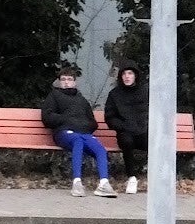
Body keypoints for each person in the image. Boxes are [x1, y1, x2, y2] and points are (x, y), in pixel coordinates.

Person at [40, 66, 117, 197]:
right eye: (63, 79)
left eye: (69, 79)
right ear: (59, 82)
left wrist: (83, 125)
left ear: (75, 82)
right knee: (78, 141)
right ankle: (77, 183)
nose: (66, 82)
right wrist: (67, 121)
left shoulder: (82, 100)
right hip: (64, 133)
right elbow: (47, 117)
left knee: (100, 149)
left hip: (84, 133)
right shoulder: (54, 96)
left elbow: (92, 122)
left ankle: (104, 183)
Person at [104, 60, 147, 194]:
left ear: (135, 76)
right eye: (124, 74)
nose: (127, 76)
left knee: (156, 143)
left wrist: (147, 125)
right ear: (120, 76)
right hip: (125, 132)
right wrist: (122, 126)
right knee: (126, 142)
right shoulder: (114, 94)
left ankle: (159, 177)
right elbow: (110, 117)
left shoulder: (145, 92)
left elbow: (154, 112)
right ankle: (132, 178)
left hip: (143, 131)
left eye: (130, 73)